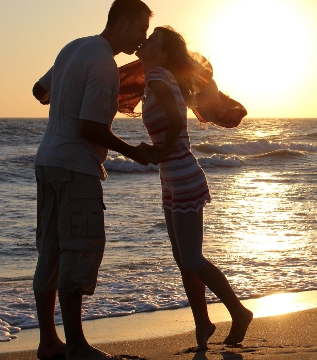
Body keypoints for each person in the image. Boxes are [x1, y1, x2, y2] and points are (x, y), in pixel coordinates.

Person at [31, 1, 154, 359]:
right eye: (140, 30)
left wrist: (67, 95)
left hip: (46, 161)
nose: (142, 39)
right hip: (75, 167)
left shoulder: (75, 46)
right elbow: (89, 127)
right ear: (124, 22)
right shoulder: (104, 65)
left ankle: (48, 342)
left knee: (50, 251)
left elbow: (40, 92)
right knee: (79, 250)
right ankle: (78, 347)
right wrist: (137, 152)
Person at [135, 26, 253, 349]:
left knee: (191, 258)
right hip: (172, 179)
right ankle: (203, 323)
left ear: (161, 53)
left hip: (183, 177)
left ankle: (239, 312)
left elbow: (174, 122)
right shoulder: (157, 77)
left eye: (152, 40)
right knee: (183, 258)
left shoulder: (158, 78)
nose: (143, 42)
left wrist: (157, 152)